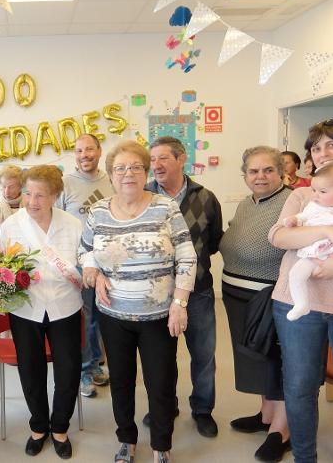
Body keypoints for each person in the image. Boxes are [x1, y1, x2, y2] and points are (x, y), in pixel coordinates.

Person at [78, 140, 197, 463]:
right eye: (120, 168)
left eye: (135, 167)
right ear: (111, 174)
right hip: (113, 315)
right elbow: (85, 250)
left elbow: (187, 254)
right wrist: (93, 272)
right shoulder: (98, 211)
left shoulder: (165, 207)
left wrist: (180, 303)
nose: (127, 173)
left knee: (160, 384)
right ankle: (126, 441)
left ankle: (161, 446)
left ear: (145, 172)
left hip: (159, 316)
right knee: (121, 382)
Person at [269, 117, 333, 462]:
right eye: (316, 147)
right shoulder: (303, 194)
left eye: (332, 143)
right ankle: (305, 457)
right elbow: (279, 236)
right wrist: (329, 234)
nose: (323, 152)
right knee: (300, 388)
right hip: (296, 302)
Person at [0, 165, 83, 460]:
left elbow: (84, 264)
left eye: (40, 195)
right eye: (28, 194)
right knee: (31, 368)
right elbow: (4, 269)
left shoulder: (73, 225)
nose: (33, 201)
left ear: (55, 196)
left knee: (68, 369)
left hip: (65, 306)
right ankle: (38, 427)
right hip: (26, 308)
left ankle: (60, 427)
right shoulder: (11, 226)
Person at [145, 136, 223, 438]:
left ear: (181, 159)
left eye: (163, 157)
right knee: (160, 358)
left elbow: (214, 241)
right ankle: (165, 407)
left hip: (199, 292)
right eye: (153, 160)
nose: (157, 165)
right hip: (158, 293)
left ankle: (203, 410)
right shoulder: (144, 195)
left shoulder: (206, 197)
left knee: (203, 355)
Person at [219, 146, 292, 462]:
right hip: (238, 294)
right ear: (245, 175)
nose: (260, 176)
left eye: (267, 170)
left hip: (271, 296)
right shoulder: (248, 204)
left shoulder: (292, 200)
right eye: (253, 171)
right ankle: (266, 415)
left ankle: (283, 429)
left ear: (281, 172)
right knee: (258, 359)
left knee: (279, 360)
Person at [56, 133, 113, 398]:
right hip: (79, 263)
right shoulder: (65, 183)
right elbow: (55, 222)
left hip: (112, 262)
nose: (84, 155)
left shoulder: (112, 178)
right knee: (87, 317)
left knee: (104, 316)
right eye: (79, 151)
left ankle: (96, 362)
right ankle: (85, 371)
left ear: (99, 151)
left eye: (89, 149)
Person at [283, 162, 333, 320]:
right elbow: (302, 218)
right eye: (314, 190)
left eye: (322, 191)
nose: (315, 195)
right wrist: (294, 220)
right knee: (296, 274)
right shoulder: (314, 206)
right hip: (316, 251)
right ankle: (301, 304)